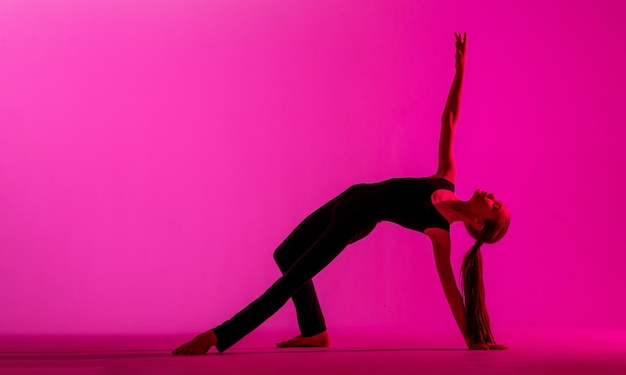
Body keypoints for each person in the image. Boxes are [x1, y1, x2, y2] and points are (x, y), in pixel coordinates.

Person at [172, 32, 510, 355]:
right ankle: (314, 331)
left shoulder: (440, 233)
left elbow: (451, 292)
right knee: (286, 253)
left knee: (293, 279)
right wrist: (461, 70)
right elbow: (449, 120)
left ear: (479, 224)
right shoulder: (445, 180)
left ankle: (219, 335)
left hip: (353, 221)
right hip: (348, 198)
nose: (492, 196)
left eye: (495, 206)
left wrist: (472, 337)